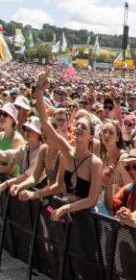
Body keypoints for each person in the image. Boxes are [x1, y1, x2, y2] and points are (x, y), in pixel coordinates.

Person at [30, 71, 104, 220]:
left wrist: (66, 207)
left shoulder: (95, 163)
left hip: (86, 220)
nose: (79, 129)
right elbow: (45, 122)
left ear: (91, 136)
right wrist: (39, 90)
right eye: (77, 126)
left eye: (84, 127)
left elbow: (92, 199)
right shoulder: (66, 151)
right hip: (66, 214)